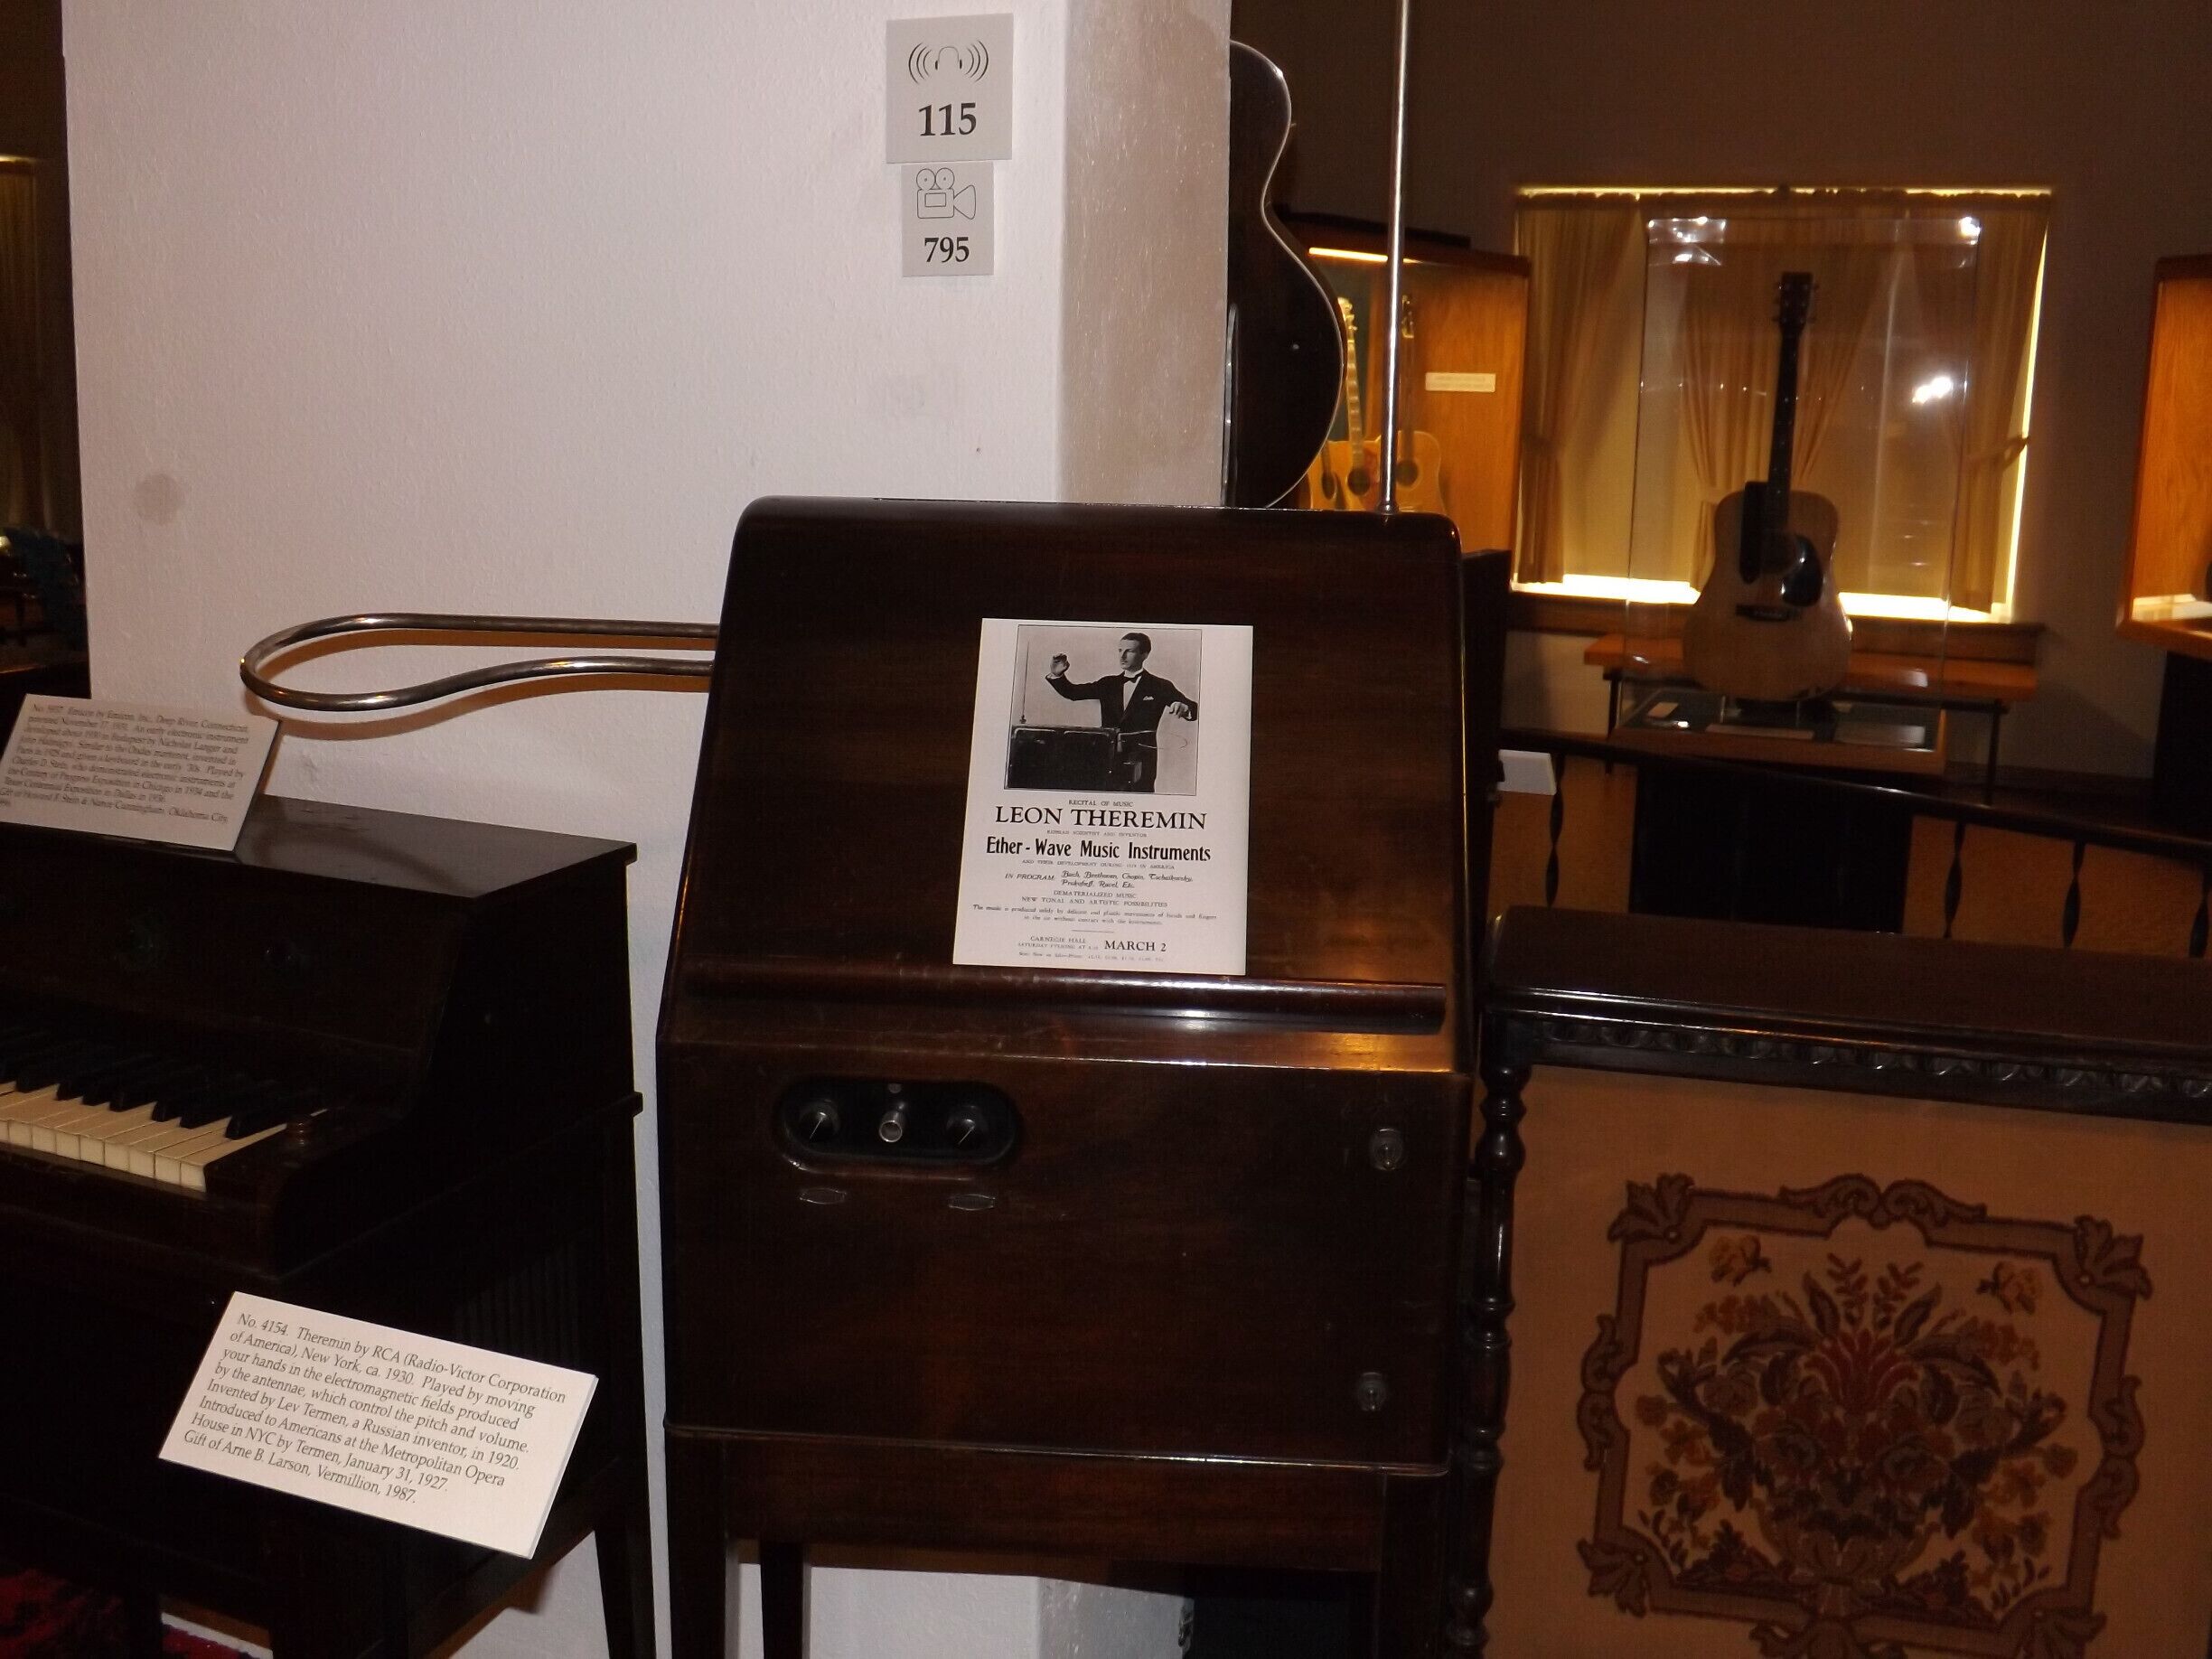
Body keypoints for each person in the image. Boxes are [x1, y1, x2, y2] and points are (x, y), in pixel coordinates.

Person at [1044, 633, 1196, 792]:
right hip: (1107, 756)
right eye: (1120, 650)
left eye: (1129, 651)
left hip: (1141, 759)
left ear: (1144, 654)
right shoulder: (1108, 683)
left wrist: (1185, 708)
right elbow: (1073, 693)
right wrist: (1057, 675)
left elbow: (1194, 709)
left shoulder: (1159, 685)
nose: (1122, 656)